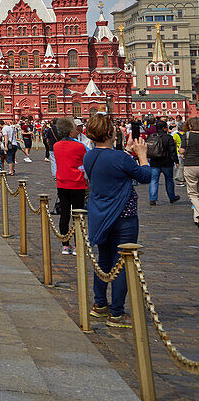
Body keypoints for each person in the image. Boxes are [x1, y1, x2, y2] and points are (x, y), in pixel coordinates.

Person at [84, 113, 152, 328]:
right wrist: (141, 156)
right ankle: (117, 313)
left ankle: (99, 305)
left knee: (103, 260)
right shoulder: (119, 158)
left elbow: (113, 166)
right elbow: (145, 176)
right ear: (110, 133)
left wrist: (127, 153)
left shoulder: (89, 156)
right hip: (123, 215)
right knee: (122, 263)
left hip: (99, 215)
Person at [52, 117, 87, 255]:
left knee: (64, 215)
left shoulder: (56, 146)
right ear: (69, 131)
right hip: (77, 184)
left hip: (62, 184)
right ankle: (78, 245)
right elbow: (87, 159)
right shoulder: (79, 146)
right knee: (78, 215)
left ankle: (65, 245)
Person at [147, 121, 180, 206]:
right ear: (163, 128)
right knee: (169, 180)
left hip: (154, 162)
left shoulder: (152, 136)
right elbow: (172, 150)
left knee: (154, 181)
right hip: (167, 162)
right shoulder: (168, 137)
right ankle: (172, 197)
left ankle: (152, 199)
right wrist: (176, 161)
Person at [181, 117, 199, 228]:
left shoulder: (187, 136)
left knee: (193, 193)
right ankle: (196, 217)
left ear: (190, 126)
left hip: (190, 165)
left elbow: (182, 150)